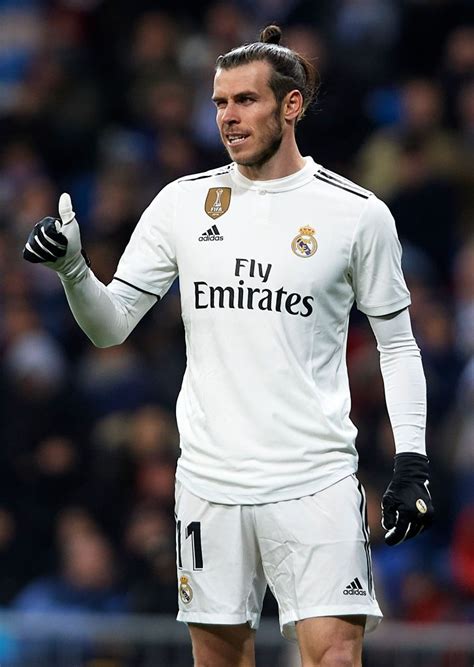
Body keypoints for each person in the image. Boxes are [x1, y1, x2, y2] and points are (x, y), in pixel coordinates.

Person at [23, 24, 434, 667]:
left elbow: (399, 346)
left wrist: (412, 463)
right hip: (210, 481)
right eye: (219, 102)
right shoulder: (182, 204)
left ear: (290, 106)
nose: (228, 117)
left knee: (334, 658)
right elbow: (111, 326)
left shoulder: (356, 214)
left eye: (245, 101)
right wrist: (74, 270)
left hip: (314, 479)